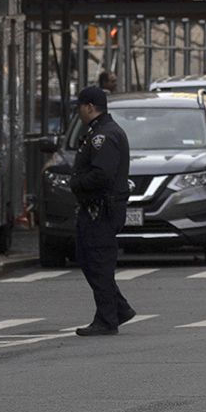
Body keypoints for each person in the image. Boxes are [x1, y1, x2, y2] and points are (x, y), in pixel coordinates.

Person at [69, 86, 136, 336]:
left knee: (99, 263)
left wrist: (76, 183)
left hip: (102, 210)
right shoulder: (100, 131)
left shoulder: (104, 136)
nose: (79, 112)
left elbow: (102, 174)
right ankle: (119, 309)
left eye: (80, 107)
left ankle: (107, 319)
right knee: (88, 259)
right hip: (96, 209)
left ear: (89, 107)